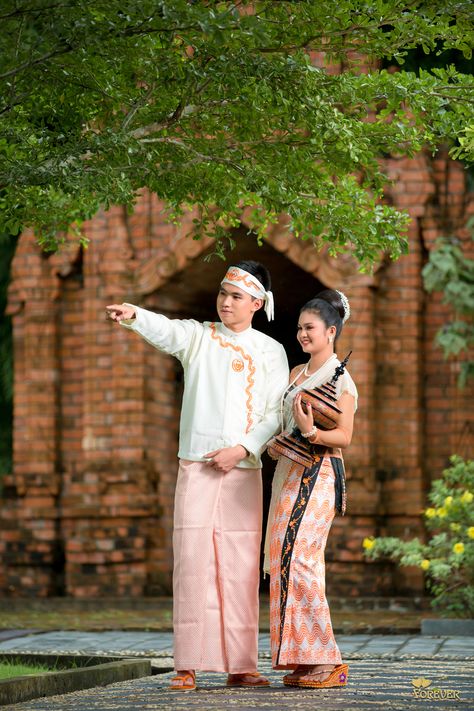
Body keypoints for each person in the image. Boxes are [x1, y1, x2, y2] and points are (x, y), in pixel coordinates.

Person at [106, 260, 289, 691]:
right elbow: (168, 330)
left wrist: (242, 448)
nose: (226, 301)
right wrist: (136, 316)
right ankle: (186, 664)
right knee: (192, 561)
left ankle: (242, 666)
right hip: (197, 465)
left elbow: (275, 412)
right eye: (223, 293)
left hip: (243, 469)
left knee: (241, 567)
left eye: (236, 296)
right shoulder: (199, 337)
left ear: (257, 304)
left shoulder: (271, 351)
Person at [264, 289, 357, 689]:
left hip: (319, 474)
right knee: (281, 559)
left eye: (311, 328)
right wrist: (277, 439)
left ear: (331, 331)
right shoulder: (295, 374)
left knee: (301, 558)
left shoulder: (341, 378)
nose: (303, 334)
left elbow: (345, 435)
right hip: (288, 471)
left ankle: (328, 658)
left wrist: (310, 431)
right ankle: (303, 657)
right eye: (299, 328)